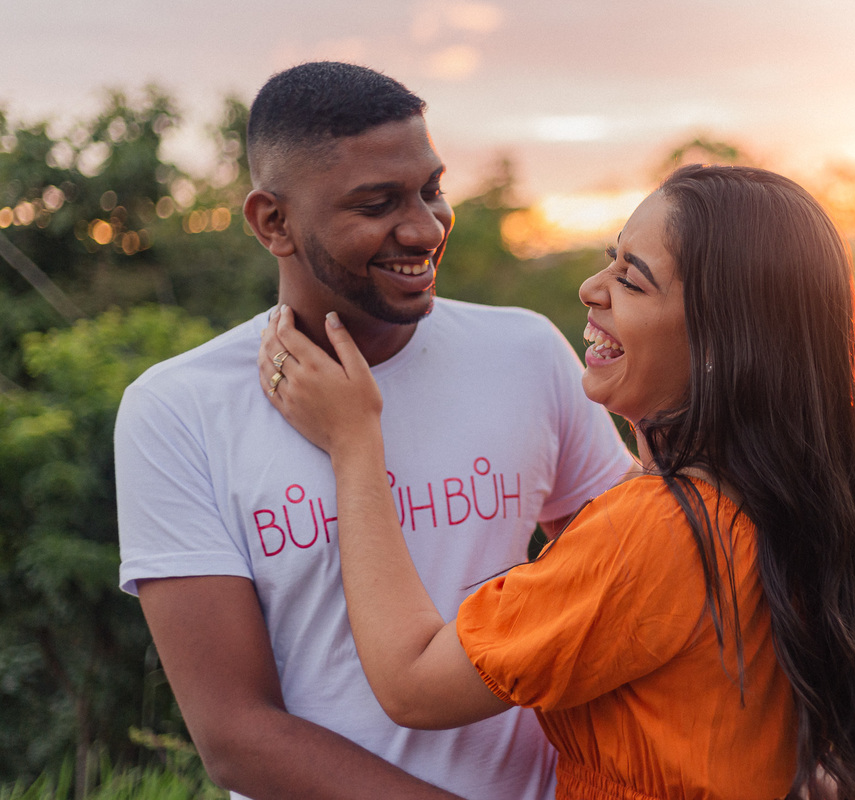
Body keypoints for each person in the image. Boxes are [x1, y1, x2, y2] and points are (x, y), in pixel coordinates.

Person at [258, 164, 855, 799]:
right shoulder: (775, 503)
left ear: (721, 342)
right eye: (612, 258)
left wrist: (353, 444)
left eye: (632, 282)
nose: (591, 288)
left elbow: (413, 685)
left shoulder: (656, 528)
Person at [115, 61, 633, 800]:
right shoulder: (177, 410)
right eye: (376, 204)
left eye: (431, 189)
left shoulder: (525, 353)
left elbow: (637, 578)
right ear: (274, 222)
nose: (424, 227)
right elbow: (237, 735)